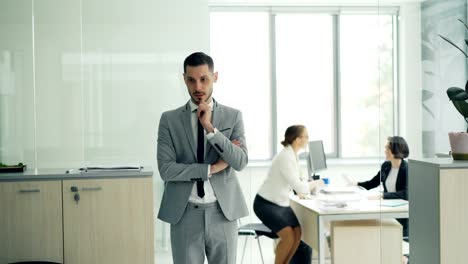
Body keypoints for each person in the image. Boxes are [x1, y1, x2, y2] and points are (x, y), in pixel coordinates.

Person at [157, 52, 249, 264]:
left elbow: (240, 161)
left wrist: (210, 128)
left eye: (203, 79)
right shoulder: (169, 120)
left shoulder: (232, 116)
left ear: (215, 77)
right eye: (191, 80)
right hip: (184, 213)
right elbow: (166, 169)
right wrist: (212, 168)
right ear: (184, 79)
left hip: (223, 212)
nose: (198, 87)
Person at [253, 125, 325, 264]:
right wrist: (315, 184)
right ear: (297, 139)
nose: (308, 140)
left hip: (280, 203)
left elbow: (297, 181)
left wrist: (304, 187)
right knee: (288, 237)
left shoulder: (292, 154)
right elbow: (299, 186)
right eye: (306, 136)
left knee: (297, 233)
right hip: (266, 204)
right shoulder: (285, 156)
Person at [347, 136, 410, 237]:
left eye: (387, 148)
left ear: (395, 150)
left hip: (402, 214)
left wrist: (383, 196)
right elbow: (373, 183)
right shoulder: (386, 166)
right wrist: (356, 184)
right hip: (389, 210)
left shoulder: (406, 169)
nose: (385, 151)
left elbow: (406, 194)